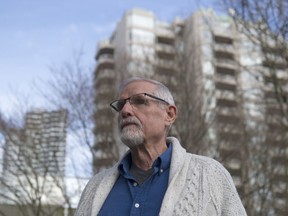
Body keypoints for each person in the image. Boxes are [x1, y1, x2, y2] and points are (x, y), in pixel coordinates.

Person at [75, 77, 247, 216]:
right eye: (120, 105)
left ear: (169, 115)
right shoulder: (94, 187)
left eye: (139, 101)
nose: (125, 111)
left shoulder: (211, 174)